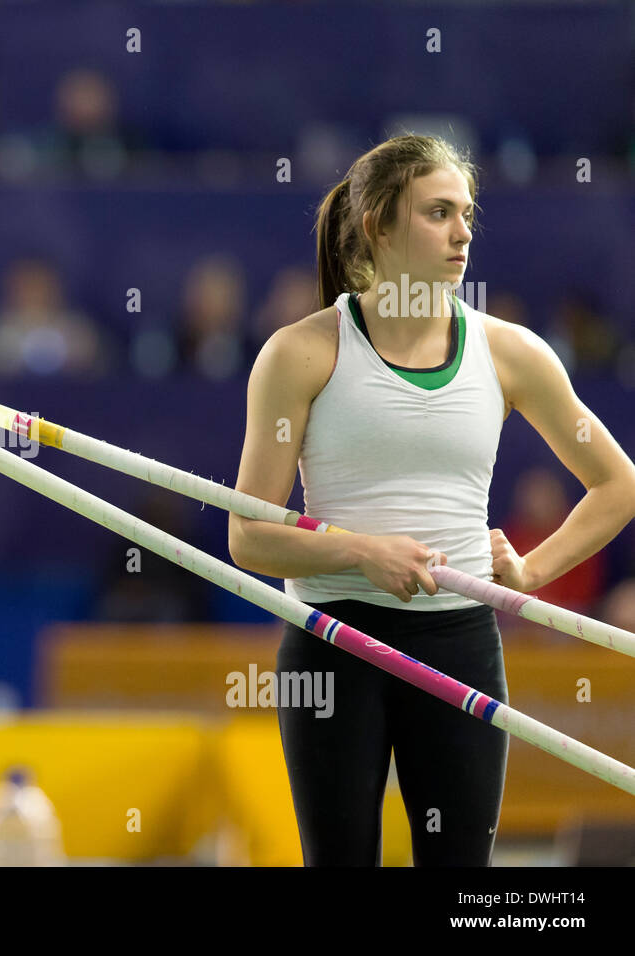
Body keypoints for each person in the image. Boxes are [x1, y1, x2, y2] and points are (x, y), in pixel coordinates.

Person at [228, 134, 635, 866]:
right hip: (332, 639)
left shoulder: (511, 352)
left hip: (460, 642)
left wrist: (532, 575)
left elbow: (619, 485)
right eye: (439, 212)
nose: (463, 232)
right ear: (380, 224)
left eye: (467, 213)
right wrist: (357, 550)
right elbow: (249, 538)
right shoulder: (302, 353)